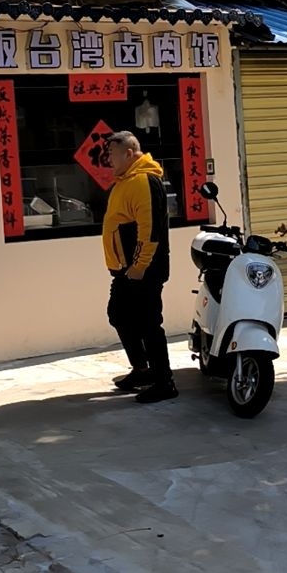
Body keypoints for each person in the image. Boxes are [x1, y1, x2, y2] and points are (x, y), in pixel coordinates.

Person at [102, 130, 177, 403]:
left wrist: (139, 265)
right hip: (126, 269)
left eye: (112, 152)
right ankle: (143, 369)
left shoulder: (144, 180)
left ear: (129, 153)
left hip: (143, 269)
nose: (108, 158)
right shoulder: (125, 181)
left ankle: (163, 381)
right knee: (119, 315)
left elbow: (151, 229)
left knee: (148, 324)